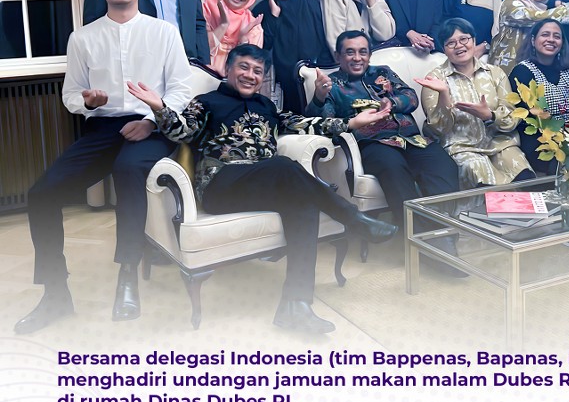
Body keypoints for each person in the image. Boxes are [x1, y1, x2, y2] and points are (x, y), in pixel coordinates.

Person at [130, 43, 397, 335]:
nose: (250, 75)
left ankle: (295, 305)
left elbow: (304, 123)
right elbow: (182, 131)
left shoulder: (267, 106)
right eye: (243, 67)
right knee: (283, 165)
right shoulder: (206, 102)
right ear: (228, 68)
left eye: (257, 71)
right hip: (221, 185)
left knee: (304, 203)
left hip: (265, 183)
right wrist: (159, 108)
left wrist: (352, 122)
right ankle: (353, 218)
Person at [14, 0, 194, 335]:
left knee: (128, 170)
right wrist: (88, 103)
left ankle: (127, 276)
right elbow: (71, 94)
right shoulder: (82, 38)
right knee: (41, 194)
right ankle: (55, 293)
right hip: (102, 128)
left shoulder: (164, 32)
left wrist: (150, 119)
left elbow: (182, 89)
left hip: (151, 128)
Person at [306, 31, 460, 227]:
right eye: (350, 52)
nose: (357, 58)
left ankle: (442, 230)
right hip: (374, 144)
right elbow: (322, 123)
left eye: (363, 52)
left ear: (369, 55)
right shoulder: (331, 85)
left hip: (412, 139)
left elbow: (411, 97)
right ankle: (416, 235)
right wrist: (319, 97)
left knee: (443, 165)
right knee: (393, 169)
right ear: (338, 56)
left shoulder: (383, 72)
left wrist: (392, 103)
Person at [418, 18, 534, 189]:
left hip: (500, 144)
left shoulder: (495, 73)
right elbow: (437, 130)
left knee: (525, 178)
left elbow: (512, 118)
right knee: (482, 180)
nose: (459, 46)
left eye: (464, 39)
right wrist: (444, 95)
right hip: (461, 148)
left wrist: (490, 116)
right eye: (451, 43)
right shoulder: (435, 79)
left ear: (474, 40)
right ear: (444, 49)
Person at [254, 0, 332, 114]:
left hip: (313, 84)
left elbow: (325, 43)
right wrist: (273, 17)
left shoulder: (313, 6)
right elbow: (260, 49)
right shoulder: (261, 11)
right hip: (278, 89)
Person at [508, 19, 569, 175]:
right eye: (545, 35)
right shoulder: (522, 71)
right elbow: (526, 116)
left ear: (562, 43)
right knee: (563, 158)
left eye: (556, 36)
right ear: (533, 40)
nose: (551, 39)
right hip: (538, 137)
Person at [202, 0, 263, 75]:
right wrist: (223, 25)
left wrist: (242, 39)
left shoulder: (253, 27)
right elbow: (200, 52)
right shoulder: (203, 12)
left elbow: (249, 70)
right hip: (200, 79)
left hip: (233, 84)